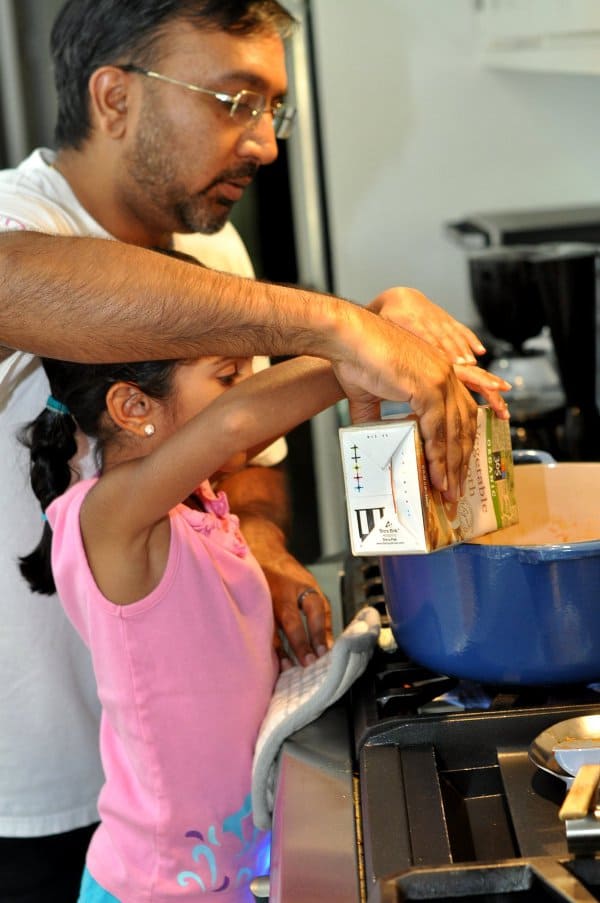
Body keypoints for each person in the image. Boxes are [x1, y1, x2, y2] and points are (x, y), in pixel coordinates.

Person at [0, 1, 510, 899]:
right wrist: (339, 326)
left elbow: (244, 465)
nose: (265, 143)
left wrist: (264, 551)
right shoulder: (17, 217)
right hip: (30, 796)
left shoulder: (216, 249)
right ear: (115, 97)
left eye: (273, 108)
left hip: (209, 792)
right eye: (234, 99)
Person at [19, 348, 348, 902]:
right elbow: (236, 422)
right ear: (133, 405)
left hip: (233, 872)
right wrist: (362, 350)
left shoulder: (197, 506)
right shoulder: (109, 516)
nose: (251, 390)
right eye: (228, 377)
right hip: (154, 887)